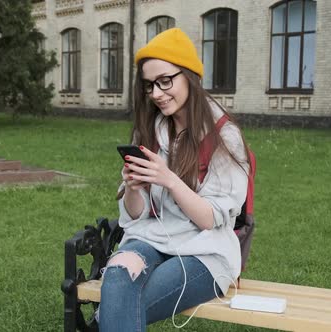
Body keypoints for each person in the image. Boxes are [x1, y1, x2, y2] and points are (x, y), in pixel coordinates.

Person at [98, 28, 250, 331]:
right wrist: (132, 187)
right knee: (117, 275)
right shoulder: (149, 131)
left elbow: (210, 219)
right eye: (149, 85)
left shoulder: (224, 136)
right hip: (151, 238)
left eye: (165, 81)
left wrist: (169, 179)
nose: (156, 93)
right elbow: (134, 216)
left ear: (190, 76)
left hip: (206, 251)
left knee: (121, 307)